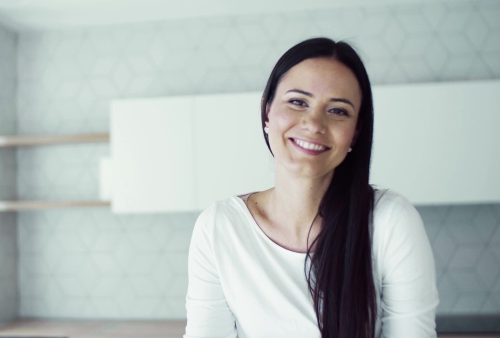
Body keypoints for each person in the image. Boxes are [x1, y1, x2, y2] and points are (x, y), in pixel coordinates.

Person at [183, 37, 438, 338]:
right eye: (298, 102)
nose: (314, 123)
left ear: (355, 133)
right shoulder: (218, 227)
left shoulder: (390, 221)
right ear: (266, 112)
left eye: (338, 111)